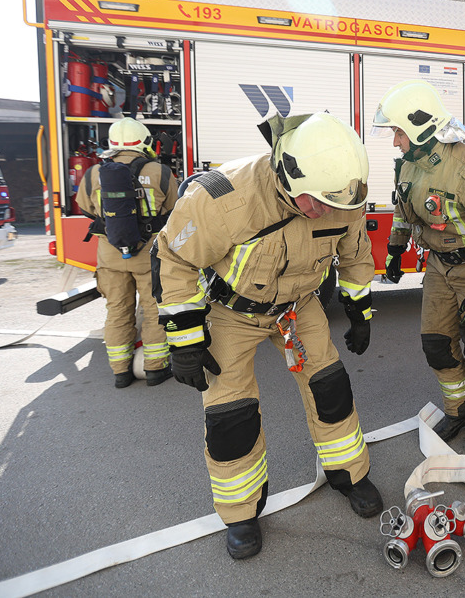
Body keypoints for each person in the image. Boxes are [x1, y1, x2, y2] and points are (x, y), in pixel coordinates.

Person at [152, 112, 381, 560]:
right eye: (316, 202)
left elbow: (355, 255)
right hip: (231, 312)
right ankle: (240, 512)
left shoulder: (342, 193)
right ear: (287, 172)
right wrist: (183, 338)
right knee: (231, 414)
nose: (328, 212)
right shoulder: (222, 197)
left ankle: (348, 474)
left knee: (330, 385)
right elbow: (174, 260)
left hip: (298, 307)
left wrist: (359, 308)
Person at [372, 80, 465, 452]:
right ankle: (461, 410)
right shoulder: (407, 166)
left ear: (419, 127)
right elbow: (404, 213)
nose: (395, 141)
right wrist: (393, 249)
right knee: (437, 346)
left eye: (399, 132)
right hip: (438, 268)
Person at [76, 117, 176, 388]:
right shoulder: (160, 171)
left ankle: (120, 371)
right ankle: (155, 368)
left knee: (117, 310)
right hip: (150, 255)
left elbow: (85, 207)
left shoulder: (94, 173)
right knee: (154, 308)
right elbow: (175, 208)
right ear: (144, 141)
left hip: (110, 256)